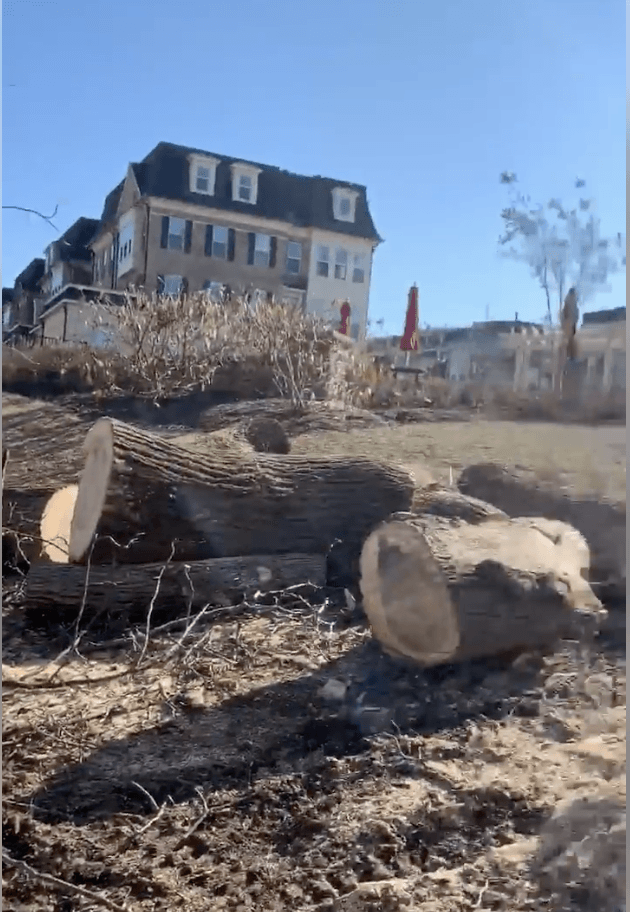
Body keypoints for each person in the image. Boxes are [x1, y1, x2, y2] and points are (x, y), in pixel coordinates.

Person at [561, 287, 579, 360]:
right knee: (569, 339)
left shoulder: (573, 302)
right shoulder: (568, 302)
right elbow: (566, 314)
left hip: (572, 324)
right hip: (569, 324)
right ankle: (569, 355)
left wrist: (574, 322)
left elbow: (576, 314)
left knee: (571, 339)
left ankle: (571, 355)